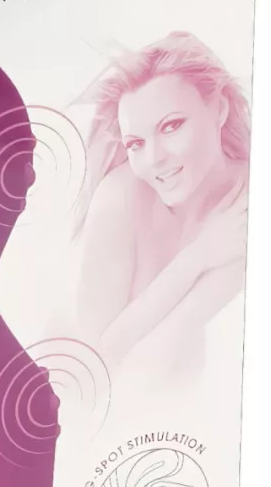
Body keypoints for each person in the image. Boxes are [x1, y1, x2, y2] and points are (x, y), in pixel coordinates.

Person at [71, 32, 250, 375]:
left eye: (171, 126)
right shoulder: (121, 197)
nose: (154, 159)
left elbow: (149, 357)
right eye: (135, 143)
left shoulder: (245, 206)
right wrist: (198, 257)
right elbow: (95, 366)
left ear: (220, 109)